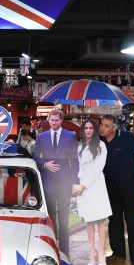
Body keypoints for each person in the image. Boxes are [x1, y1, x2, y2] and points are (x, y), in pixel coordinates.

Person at [98, 115, 134, 265]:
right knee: (114, 220)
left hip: (127, 184)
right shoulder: (99, 141)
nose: (102, 128)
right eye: (101, 125)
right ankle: (118, 253)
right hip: (109, 184)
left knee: (131, 221)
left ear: (114, 128)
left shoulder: (127, 137)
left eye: (106, 126)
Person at [32, 109, 79, 255]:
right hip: (48, 180)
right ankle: (52, 248)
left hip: (65, 181)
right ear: (48, 120)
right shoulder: (42, 136)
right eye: (51, 120)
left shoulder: (71, 136)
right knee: (50, 217)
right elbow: (34, 154)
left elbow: (75, 160)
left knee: (64, 217)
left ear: (61, 120)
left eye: (56, 120)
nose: (53, 123)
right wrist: (44, 164)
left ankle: (65, 251)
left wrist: (75, 181)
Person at [71, 119, 112, 265]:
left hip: (96, 185)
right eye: (86, 128)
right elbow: (76, 166)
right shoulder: (80, 146)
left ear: (95, 130)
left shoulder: (101, 145)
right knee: (88, 220)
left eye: (91, 128)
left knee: (100, 220)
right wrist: (76, 184)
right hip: (82, 185)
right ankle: (91, 252)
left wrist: (83, 185)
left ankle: (101, 252)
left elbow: (97, 169)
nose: (88, 130)